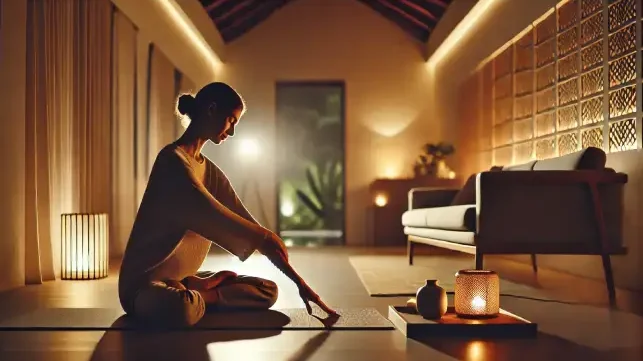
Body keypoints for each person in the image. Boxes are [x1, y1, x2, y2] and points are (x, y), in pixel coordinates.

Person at [118, 82, 336, 327]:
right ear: (212, 109)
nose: (231, 132)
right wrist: (264, 238)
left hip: (184, 279)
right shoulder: (172, 163)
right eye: (231, 120)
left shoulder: (209, 171)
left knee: (267, 290)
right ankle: (201, 294)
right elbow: (226, 219)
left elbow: (251, 228)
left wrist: (302, 287)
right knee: (181, 308)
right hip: (145, 288)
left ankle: (195, 289)